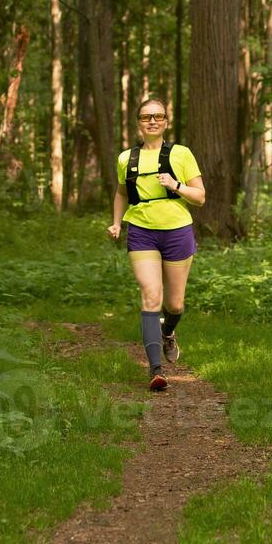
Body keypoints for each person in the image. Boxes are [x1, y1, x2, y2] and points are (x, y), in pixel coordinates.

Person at [107, 98, 206, 391]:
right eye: (146, 117)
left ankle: (168, 331)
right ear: (138, 122)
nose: (152, 121)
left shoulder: (181, 154)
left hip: (177, 230)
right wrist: (116, 222)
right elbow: (121, 193)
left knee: (174, 303)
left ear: (166, 121)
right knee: (150, 294)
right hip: (141, 231)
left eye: (158, 116)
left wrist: (175, 185)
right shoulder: (127, 158)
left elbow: (200, 196)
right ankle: (155, 370)